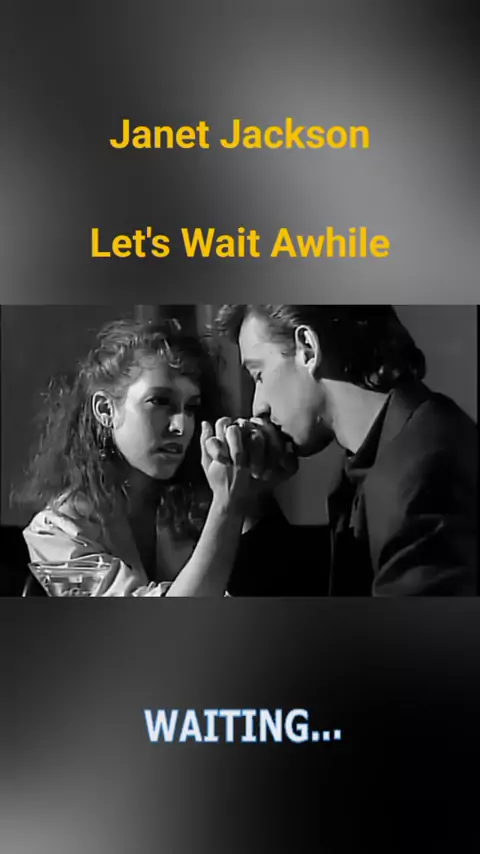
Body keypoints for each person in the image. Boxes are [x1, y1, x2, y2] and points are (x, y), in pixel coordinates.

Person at [215, 305, 478, 596]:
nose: (258, 408)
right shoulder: (376, 458)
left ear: (308, 349)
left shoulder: (425, 472)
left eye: (259, 375)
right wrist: (251, 501)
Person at [20, 316, 267, 597]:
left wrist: (253, 494)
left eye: (191, 408)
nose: (181, 426)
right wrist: (226, 506)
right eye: (160, 401)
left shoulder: (198, 501)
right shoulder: (55, 532)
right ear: (105, 410)